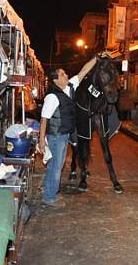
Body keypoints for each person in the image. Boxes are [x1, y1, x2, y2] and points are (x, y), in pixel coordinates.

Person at [37, 56, 99, 207]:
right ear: (56, 80)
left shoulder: (69, 87)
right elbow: (44, 118)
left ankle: (48, 191)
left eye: (65, 74)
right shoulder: (52, 97)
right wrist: (41, 140)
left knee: (56, 165)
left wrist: (96, 58)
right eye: (63, 74)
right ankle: (50, 197)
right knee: (56, 167)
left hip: (64, 135)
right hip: (55, 137)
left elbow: (83, 71)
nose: (66, 75)